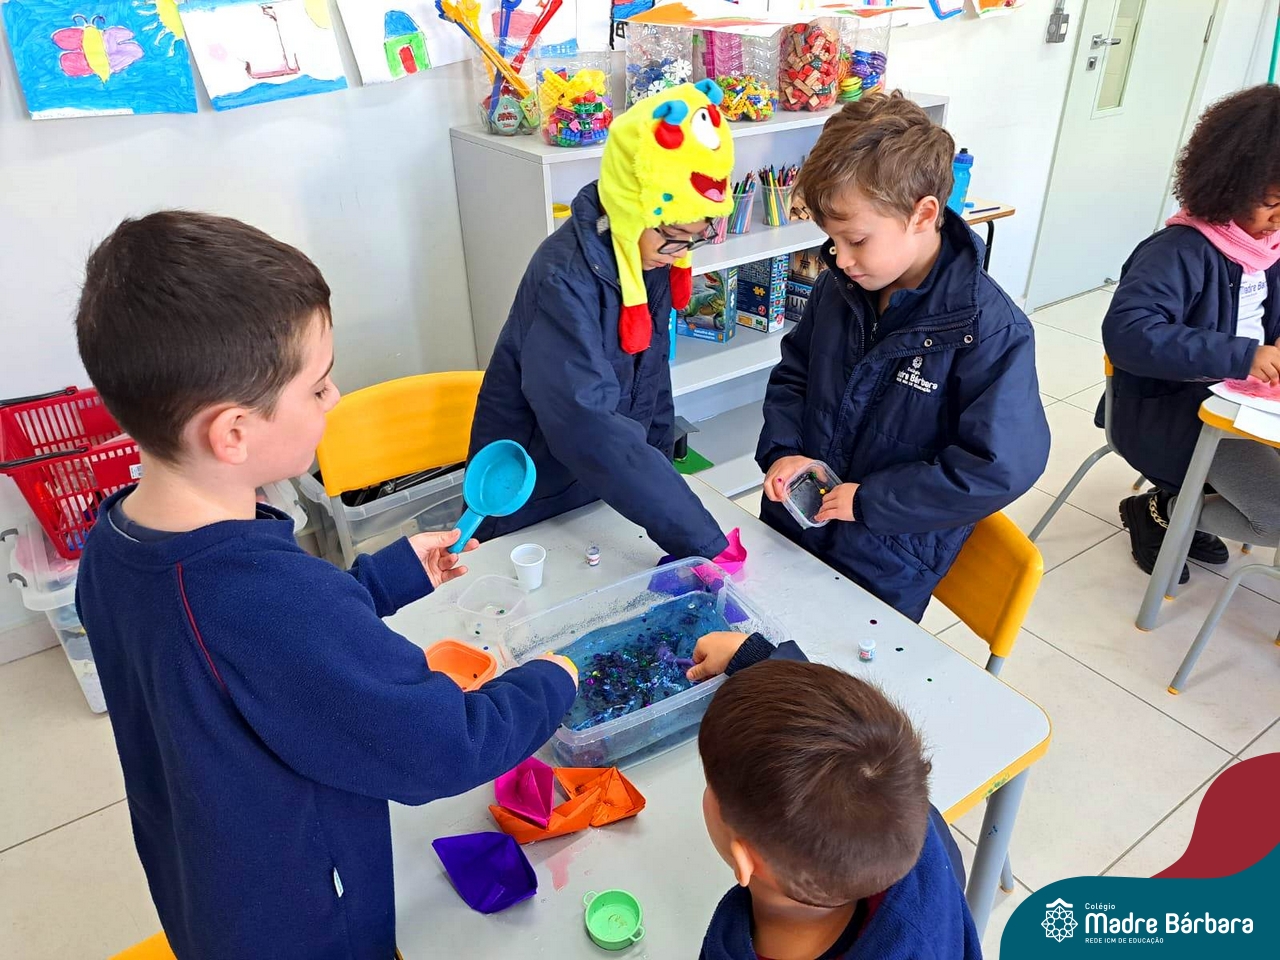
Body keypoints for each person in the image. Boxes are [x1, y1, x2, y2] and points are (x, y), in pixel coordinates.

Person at [73, 212, 579, 960]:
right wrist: (553, 679)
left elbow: (250, 657)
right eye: (317, 387)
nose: (336, 397)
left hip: (204, 886)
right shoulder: (265, 602)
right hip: (305, 923)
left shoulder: (117, 543)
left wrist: (383, 578)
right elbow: (443, 748)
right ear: (233, 432)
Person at [757, 92, 1048, 621]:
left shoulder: (990, 331)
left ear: (923, 214)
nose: (841, 258)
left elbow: (999, 466)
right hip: (793, 528)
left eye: (856, 239)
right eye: (832, 241)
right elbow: (794, 377)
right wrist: (783, 452)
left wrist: (871, 502)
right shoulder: (839, 288)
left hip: (884, 561)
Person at [468, 80, 743, 562]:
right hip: (535, 494)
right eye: (676, 234)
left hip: (608, 485)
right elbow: (585, 424)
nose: (682, 251)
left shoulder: (649, 254)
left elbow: (652, 380)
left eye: (696, 236)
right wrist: (697, 537)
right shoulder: (563, 277)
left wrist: (663, 477)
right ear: (633, 208)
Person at [689, 632, 979, 960]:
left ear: (745, 861)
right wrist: (755, 657)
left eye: (710, 782)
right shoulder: (899, 822)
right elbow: (832, 745)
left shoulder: (728, 948)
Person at [1105, 84, 1280, 579]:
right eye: (1270, 202)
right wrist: (1244, 355)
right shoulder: (1178, 250)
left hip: (1243, 404)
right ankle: (1162, 510)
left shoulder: (1267, 247)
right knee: (1275, 517)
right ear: (1230, 185)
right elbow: (1129, 334)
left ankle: (1185, 505)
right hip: (1173, 413)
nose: (1278, 218)